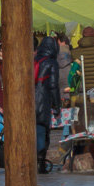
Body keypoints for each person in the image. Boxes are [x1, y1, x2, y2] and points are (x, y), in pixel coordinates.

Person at [33, 37, 62, 174]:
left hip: (30, 100)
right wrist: (57, 106)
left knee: (34, 130)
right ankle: (41, 163)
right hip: (43, 101)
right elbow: (53, 86)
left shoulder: (34, 60)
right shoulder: (51, 63)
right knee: (43, 131)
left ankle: (33, 161)